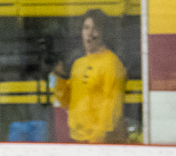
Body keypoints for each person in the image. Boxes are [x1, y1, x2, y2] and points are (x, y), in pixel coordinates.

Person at [51, 8, 128, 143]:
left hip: (100, 140)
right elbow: (66, 103)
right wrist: (61, 78)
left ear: (104, 33)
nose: (90, 33)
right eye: (86, 28)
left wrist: (98, 139)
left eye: (95, 28)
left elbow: (112, 106)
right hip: (77, 137)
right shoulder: (78, 64)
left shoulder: (111, 63)